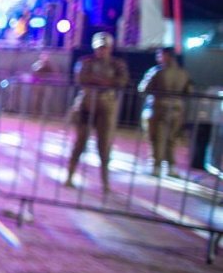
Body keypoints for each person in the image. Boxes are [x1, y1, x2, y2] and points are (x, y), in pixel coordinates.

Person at [64, 31, 129, 192]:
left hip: (106, 107)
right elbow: (81, 78)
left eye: (105, 48)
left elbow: (122, 81)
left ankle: (105, 182)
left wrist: (100, 81)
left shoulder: (117, 64)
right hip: (86, 105)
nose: (102, 51)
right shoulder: (86, 61)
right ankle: (70, 176)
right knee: (80, 142)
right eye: (100, 48)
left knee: (104, 145)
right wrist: (105, 82)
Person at [137, 47, 192, 177]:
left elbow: (143, 88)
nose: (158, 57)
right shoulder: (183, 73)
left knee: (156, 138)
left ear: (166, 55)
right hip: (177, 110)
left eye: (160, 55)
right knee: (171, 139)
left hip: (158, 108)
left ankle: (156, 166)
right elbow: (188, 92)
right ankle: (171, 167)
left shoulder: (157, 71)